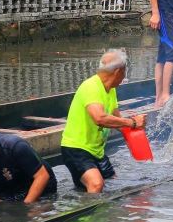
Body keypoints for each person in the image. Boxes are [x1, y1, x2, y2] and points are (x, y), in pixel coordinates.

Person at [60, 49, 146, 193]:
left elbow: (118, 121)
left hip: (96, 152)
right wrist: (132, 122)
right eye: (124, 72)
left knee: (113, 186)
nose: (124, 77)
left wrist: (138, 135)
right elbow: (99, 118)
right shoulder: (91, 87)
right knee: (96, 184)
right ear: (118, 72)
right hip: (76, 149)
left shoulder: (110, 90)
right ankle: (93, 215)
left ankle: (86, 203)